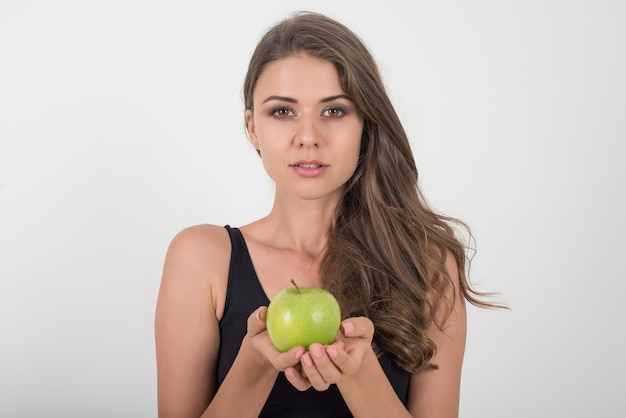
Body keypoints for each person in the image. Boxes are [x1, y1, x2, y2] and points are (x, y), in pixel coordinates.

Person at [155, 11, 500, 418]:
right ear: (252, 127)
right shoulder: (200, 258)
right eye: (283, 111)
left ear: (365, 125)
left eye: (334, 111)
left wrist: (359, 376)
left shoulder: (427, 265)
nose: (308, 137)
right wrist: (255, 366)